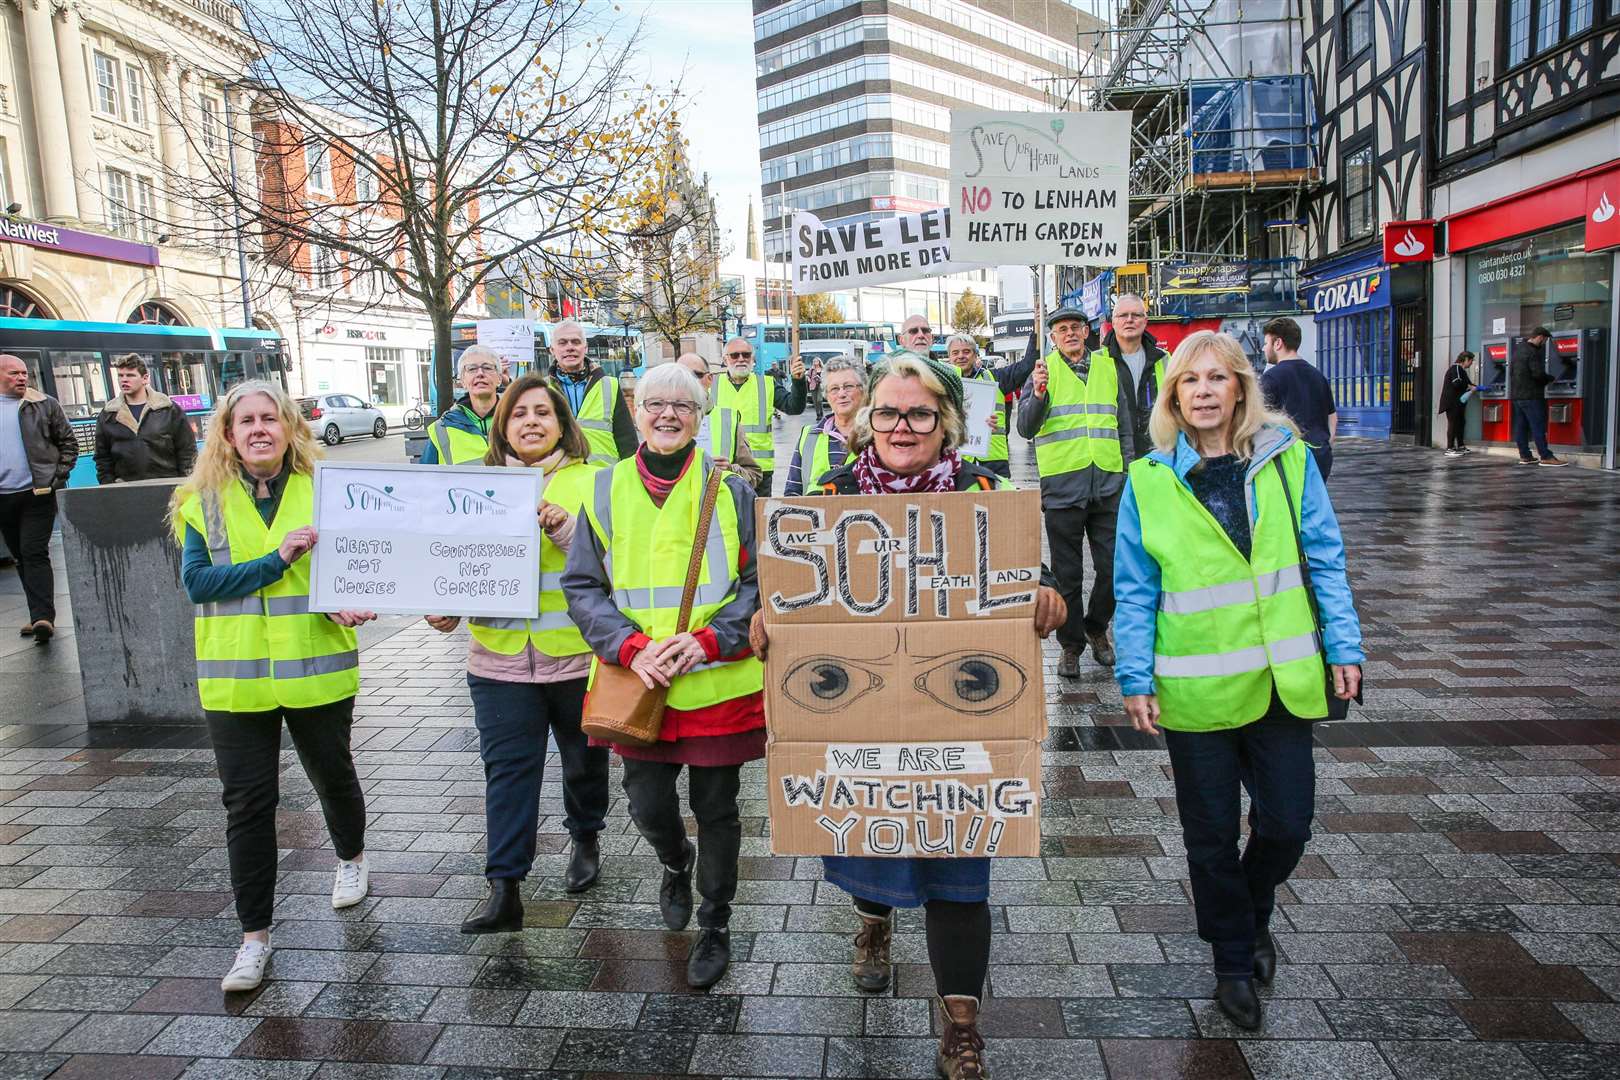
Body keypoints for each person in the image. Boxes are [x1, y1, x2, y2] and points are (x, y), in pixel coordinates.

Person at [753, 351, 1065, 1080]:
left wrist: (1047, 594)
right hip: (860, 734)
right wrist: (773, 618)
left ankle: (961, 1025)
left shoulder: (985, 491)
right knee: (871, 836)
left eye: (918, 412)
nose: (902, 425)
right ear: (866, 421)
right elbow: (786, 589)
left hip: (958, 736)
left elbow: (1027, 571)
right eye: (888, 412)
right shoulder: (827, 498)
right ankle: (873, 921)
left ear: (945, 422)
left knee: (960, 873)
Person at [1113, 330, 1363, 1031]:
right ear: (1172, 397)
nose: (1203, 392)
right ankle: (1232, 959)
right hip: (1195, 689)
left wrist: (1345, 646)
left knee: (1287, 824)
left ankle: (1251, 912)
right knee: (1211, 838)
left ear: (1240, 389)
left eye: (1217, 379)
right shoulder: (1149, 480)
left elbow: (1326, 558)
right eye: (1189, 382)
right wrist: (1135, 675)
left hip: (1283, 681)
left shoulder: (1288, 462)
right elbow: (1134, 590)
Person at [168, 380, 377, 993]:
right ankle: (253, 939)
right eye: (246, 421)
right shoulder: (199, 500)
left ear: (289, 428)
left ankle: (351, 858)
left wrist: (350, 602)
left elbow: (356, 569)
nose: (259, 429)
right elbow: (200, 584)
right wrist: (278, 560)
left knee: (332, 774)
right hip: (236, 680)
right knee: (248, 805)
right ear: (227, 435)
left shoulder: (327, 493)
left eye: (270, 419)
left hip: (317, 665)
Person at [562, 362, 765, 990]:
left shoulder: (732, 489)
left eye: (683, 405)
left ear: (701, 415)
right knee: (648, 805)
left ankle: (716, 921)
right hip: (638, 682)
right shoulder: (604, 488)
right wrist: (627, 647)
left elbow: (760, 584)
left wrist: (708, 641)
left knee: (717, 808)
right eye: (656, 403)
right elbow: (583, 586)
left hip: (715, 683)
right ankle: (675, 862)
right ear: (636, 410)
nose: (669, 414)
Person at [423, 375, 610, 931]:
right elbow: (452, 560)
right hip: (499, 658)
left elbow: (614, 565)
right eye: (518, 414)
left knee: (583, 762)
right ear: (501, 426)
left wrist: (563, 529)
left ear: (561, 424)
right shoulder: (474, 487)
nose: (530, 422)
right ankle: (504, 886)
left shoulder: (595, 482)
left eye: (542, 413)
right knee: (507, 773)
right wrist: (444, 606)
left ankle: (585, 838)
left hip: (576, 657)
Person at [1017, 307, 1135, 679]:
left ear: (1087, 332)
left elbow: (1124, 424)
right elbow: (1025, 428)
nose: (1069, 333)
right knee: (1068, 574)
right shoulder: (1041, 372)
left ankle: (1096, 625)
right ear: (1052, 337)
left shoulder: (1108, 367)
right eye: (1061, 329)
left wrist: (1128, 469)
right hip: (1063, 485)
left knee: (1114, 566)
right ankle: (1071, 646)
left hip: (1108, 481)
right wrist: (1037, 395)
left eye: (1075, 328)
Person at [0, 354, 77, 644]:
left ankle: (44, 617)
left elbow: (68, 443)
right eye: (13, 373)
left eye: (24, 373)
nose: (22, 378)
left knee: (33, 551)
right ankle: (37, 615)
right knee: (19, 554)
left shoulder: (44, 405)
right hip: (3, 497)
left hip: (37, 493)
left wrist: (55, 478)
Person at [713, 336, 806, 498]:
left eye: (746, 355)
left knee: (757, 520)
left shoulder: (766, 384)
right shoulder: (711, 385)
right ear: (724, 359)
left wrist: (798, 381)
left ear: (753, 358)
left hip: (759, 471)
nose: (741, 359)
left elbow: (794, 407)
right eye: (735, 355)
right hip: (722, 468)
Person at [945, 333, 1038, 479]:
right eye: (955, 353)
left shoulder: (996, 378)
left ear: (976, 355)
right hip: (957, 463)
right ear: (949, 358)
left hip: (994, 463)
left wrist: (1037, 331)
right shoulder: (941, 385)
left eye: (966, 351)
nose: (961, 356)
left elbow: (1027, 365)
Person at [94, 353, 198, 483]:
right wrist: (109, 485)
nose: (124, 380)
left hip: (167, 486)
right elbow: (102, 458)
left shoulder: (168, 409)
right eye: (120, 375)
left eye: (130, 375)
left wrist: (186, 485)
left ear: (145, 378)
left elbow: (187, 451)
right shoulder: (108, 414)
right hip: (125, 490)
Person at [546, 320, 637, 466]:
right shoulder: (542, 390)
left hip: (604, 479)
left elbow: (627, 441)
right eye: (562, 343)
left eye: (575, 342)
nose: (570, 347)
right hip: (559, 478)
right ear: (552, 350)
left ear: (585, 347)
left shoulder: (610, 385)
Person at [1259, 317, 1338, 479]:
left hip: (1290, 457)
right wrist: (1324, 446)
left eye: (1266, 343)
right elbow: (1333, 418)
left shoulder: (1270, 378)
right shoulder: (1318, 376)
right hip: (1321, 456)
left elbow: (1260, 421)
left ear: (1278, 343)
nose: (1263, 348)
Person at [675, 353, 761, 488]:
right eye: (681, 375)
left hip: (719, 506)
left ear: (709, 379)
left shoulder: (729, 419)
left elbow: (753, 476)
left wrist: (729, 470)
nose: (689, 381)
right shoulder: (661, 420)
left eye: (696, 375)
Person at [783, 356, 865, 495]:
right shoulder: (809, 436)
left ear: (863, 390)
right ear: (826, 394)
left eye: (849, 386)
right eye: (834, 388)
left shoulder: (878, 435)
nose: (841, 394)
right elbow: (792, 492)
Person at [1100, 295, 1168, 450]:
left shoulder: (1164, 359)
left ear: (1145, 321)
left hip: (1156, 451)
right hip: (1113, 452)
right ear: (1113, 322)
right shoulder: (1096, 361)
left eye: (1136, 315)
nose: (1129, 320)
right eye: (1123, 315)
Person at [421, 346, 505, 464]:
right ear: (462, 381)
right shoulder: (441, 430)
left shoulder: (519, 421)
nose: (480, 373)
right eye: (471, 369)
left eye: (487, 367)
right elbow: (424, 479)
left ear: (500, 379)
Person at [1510, 326, 1568, 467]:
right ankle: (1546, 456)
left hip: (1517, 396)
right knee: (1538, 426)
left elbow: (1511, 371)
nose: (1544, 343)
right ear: (1541, 337)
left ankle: (1525, 455)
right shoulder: (1532, 352)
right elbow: (1537, 374)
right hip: (1531, 395)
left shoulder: (1518, 350)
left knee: (1521, 427)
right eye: (1545, 340)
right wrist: (1550, 378)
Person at [1438, 350, 1477, 457]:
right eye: (1471, 361)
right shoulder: (1456, 368)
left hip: (1458, 402)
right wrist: (1470, 387)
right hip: (1452, 402)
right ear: (1465, 360)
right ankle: (1449, 448)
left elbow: (1468, 383)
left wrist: (1477, 387)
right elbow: (1457, 383)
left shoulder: (1461, 370)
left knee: (1460, 423)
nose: (1471, 363)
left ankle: (1460, 446)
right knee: (1453, 424)